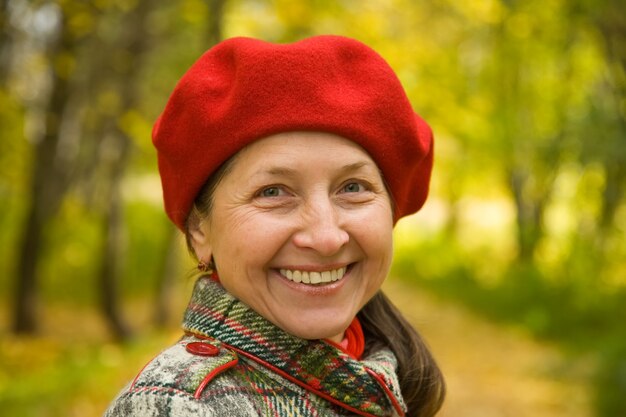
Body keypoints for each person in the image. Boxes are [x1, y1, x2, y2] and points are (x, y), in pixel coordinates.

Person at [104, 35, 445, 417]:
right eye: (272, 192)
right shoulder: (179, 406)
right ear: (200, 229)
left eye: (353, 187)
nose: (326, 237)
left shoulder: (381, 376)